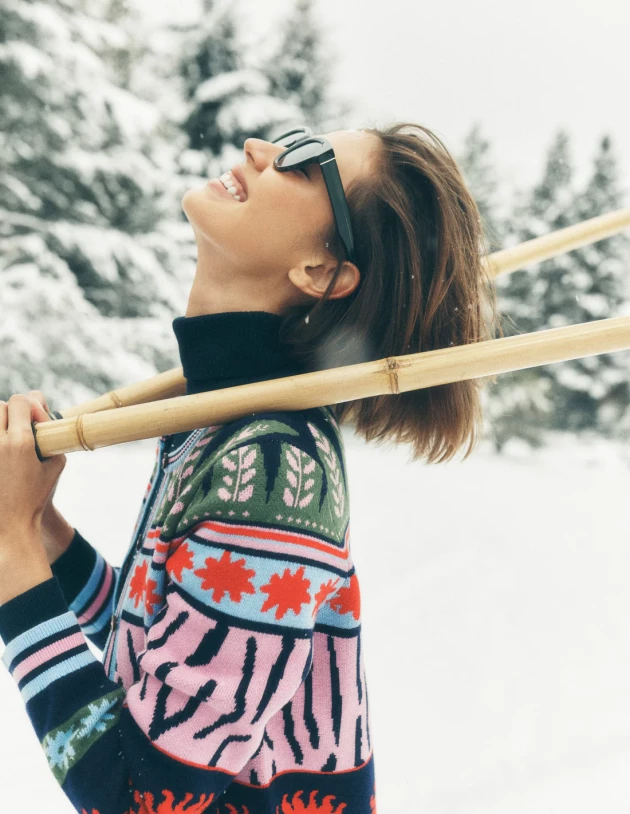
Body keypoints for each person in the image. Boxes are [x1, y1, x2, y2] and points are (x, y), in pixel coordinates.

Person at [0, 123, 501, 813]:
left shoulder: (273, 470)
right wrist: (36, 522)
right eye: (291, 139)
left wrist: (11, 546)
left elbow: (140, 800)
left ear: (321, 272)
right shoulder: (222, 420)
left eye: (305, 163)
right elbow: (150, 638)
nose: (260, 151)